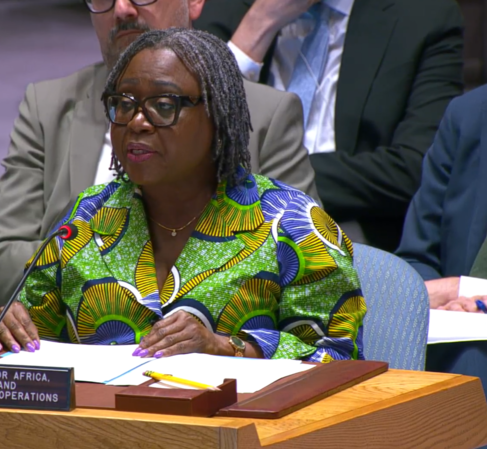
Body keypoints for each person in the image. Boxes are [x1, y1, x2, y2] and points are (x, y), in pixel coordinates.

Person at [0, 29, 366, 363]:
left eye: (164, 106)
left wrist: (225, 348)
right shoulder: (89, 216)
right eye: (124, 104)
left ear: (218, 115)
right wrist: (13, 326)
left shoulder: (293, 225)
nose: (137, 122)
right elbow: (35, 333)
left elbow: (338, 358)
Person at [0, 0, 320, 310]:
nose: (121, 8)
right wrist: (110, 268)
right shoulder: (48, 106)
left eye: (165, 107)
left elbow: (306, 271)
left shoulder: (266, 115)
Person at [194, 0, 464, 252]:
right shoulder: (224, 8)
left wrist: (275, 179)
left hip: (350, 229)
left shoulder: (424, 15)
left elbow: (415, 166)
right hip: (224, 219)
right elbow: (193, 141)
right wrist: (258, 26)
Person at [396, 86, 487, 392]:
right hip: (453, 336)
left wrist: (463, 291)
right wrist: (449, 298)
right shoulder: (470, 113)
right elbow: (417, 255)